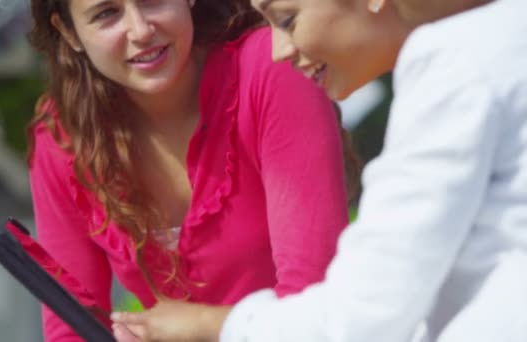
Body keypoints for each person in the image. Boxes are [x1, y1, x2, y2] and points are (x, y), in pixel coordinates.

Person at [113, 0, 527, 341]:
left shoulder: (454, 63)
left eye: (288, 20)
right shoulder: (502, 34)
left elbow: (365, 316)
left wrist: (209, 325)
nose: (279, 50)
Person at [26, 0, 359, 340]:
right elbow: (69, 331)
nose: (141, 30)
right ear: (69, 32)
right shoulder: (62, 138)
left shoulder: (270, 68)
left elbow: (313, 306)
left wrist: (201, 326)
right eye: (106, 13)